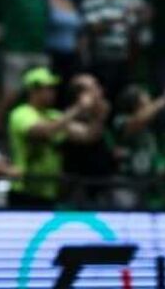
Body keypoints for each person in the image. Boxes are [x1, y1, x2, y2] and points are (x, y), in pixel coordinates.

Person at [7, 67, 102, 207]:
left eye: (53, 88)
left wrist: (97, 112)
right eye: (48, 88)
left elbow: (87, 136)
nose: (53, 93)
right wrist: (78, 108)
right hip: (24, 191)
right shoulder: (21, 113)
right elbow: (45, 131)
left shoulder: (54, 115)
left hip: (49, 191)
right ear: (34, 91)